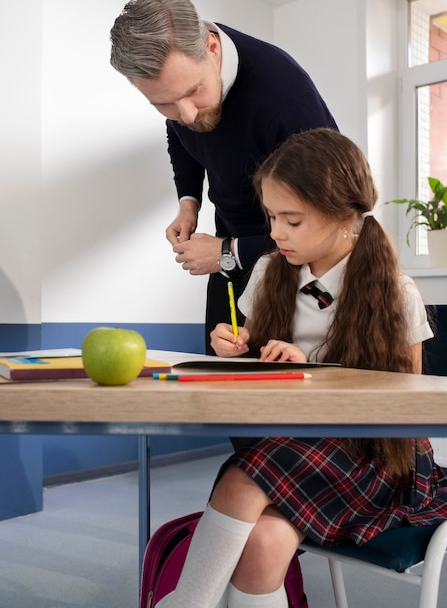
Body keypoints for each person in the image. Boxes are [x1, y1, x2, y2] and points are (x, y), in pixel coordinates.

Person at [155, 128, 447, 608]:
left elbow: (407, 404)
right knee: (265, 542)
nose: (274, 232)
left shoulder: (393, 290)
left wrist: (314, 367)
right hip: (293, 447)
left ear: (342, 217)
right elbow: (258, 358)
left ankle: (186, 603)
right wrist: (236, 346)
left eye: (291, 220)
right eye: (271, 217)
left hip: (374, 456)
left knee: (244, 477)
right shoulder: (271, 270)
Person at [109, 0, 338, 355]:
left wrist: (227, 251)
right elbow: (180, 139)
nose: (185, 115)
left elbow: (330, 218)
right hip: (228, 251)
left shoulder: (286, 100)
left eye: (192, 92)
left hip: (296, 264)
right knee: (219, 377)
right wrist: (189, 202)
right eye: (163, 104)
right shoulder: (182, 97)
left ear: (211, 48)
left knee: (284, 391)